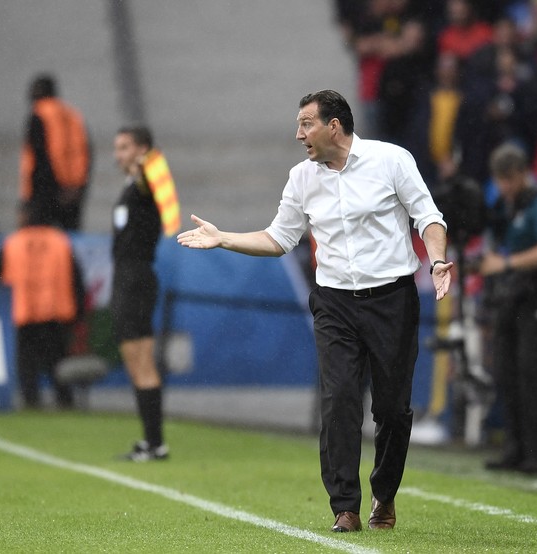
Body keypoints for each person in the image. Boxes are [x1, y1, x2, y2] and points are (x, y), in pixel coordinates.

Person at [177, 90, 451, 532]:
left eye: (306, 124)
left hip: (392, 299)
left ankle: (385, 494)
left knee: (393, 409)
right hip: (335, 302)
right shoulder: (301, 178)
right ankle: (345, 506)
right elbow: (279, 238)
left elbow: (428, 217)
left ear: (334, 126)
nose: (298, 134)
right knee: (339, 400)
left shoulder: (392, 160)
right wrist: (223, 237)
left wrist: (437, 260)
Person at [480, 143, 537, 475]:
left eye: (510, 178)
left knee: (531, 374)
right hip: (512, 298)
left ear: (523, 174)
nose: (505, 185)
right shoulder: (503, 206)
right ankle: (514, 448)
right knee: (506, 373)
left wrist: (505, 264)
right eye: (500, 179)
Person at [0, 203, 85, 409]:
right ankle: (65, 401)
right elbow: (77, 279)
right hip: (54, 313)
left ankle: (31, 401)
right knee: (56, 361)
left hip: (24, 312)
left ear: (25, 216)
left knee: (27, 363)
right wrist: (78, 312)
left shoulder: (12, 243)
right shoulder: (60, 241)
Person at [111, 125, 170, 462]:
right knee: (135, 363)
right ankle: (151, 441)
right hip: (126, 278)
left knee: (143, 362)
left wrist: (145, 163)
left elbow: (150, 178)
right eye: (117, 148)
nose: (118, 154)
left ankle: (155, 443)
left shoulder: (145, 182)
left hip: (136, 278)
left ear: (143, 150)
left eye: (125, 147)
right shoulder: (130, 186)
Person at [19, 73, 91, 230]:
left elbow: (39, 157)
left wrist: (30, 198)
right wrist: (77, 187)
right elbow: (85, 152)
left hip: (45, 192)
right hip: (73, 192)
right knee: (69, 239)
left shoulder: (38, 116)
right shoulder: (73, 115)